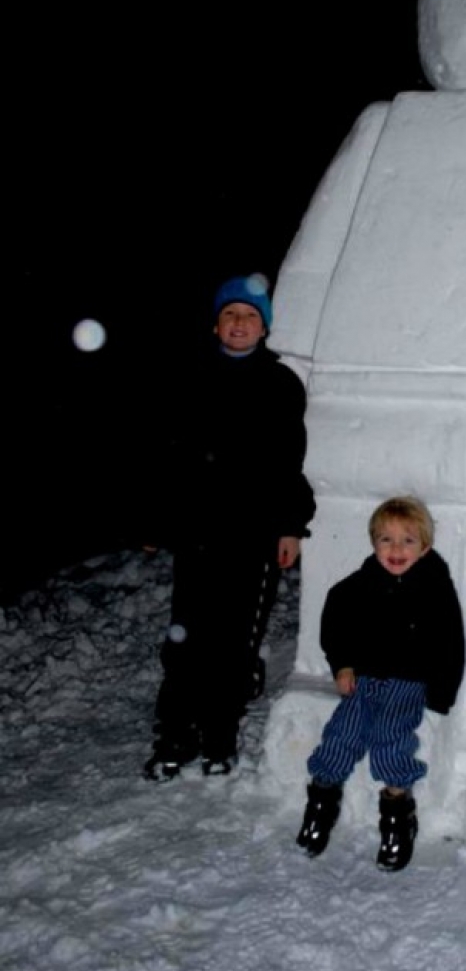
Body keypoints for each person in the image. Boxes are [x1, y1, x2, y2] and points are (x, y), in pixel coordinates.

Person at [144, 274, 315, 780]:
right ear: (215, 323)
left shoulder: (279, 384)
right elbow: (167, 455)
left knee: (234, 641)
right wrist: (156, 515)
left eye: (250, 316)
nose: (239, 324)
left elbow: (289, 460)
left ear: (264, 328)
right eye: (230, 315)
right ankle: (176, 734)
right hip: (199, 533)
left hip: (254, 536)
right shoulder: (191, 376)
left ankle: (220, 734)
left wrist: (289, 526)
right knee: (186, 639)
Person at [296, 496, 465, 871]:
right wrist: (342, 665)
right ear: (374, 543)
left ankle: (397, 819)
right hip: (365, 680)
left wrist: (441, 692)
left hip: (407, 684)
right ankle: (320, 806)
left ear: (425, 546)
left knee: (390, 741)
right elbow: (335, 618)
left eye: (408, 540)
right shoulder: (360, 584)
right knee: (339, 737)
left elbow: (451, 641)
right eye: (386, 539)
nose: (396, 549)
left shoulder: (435, 588)